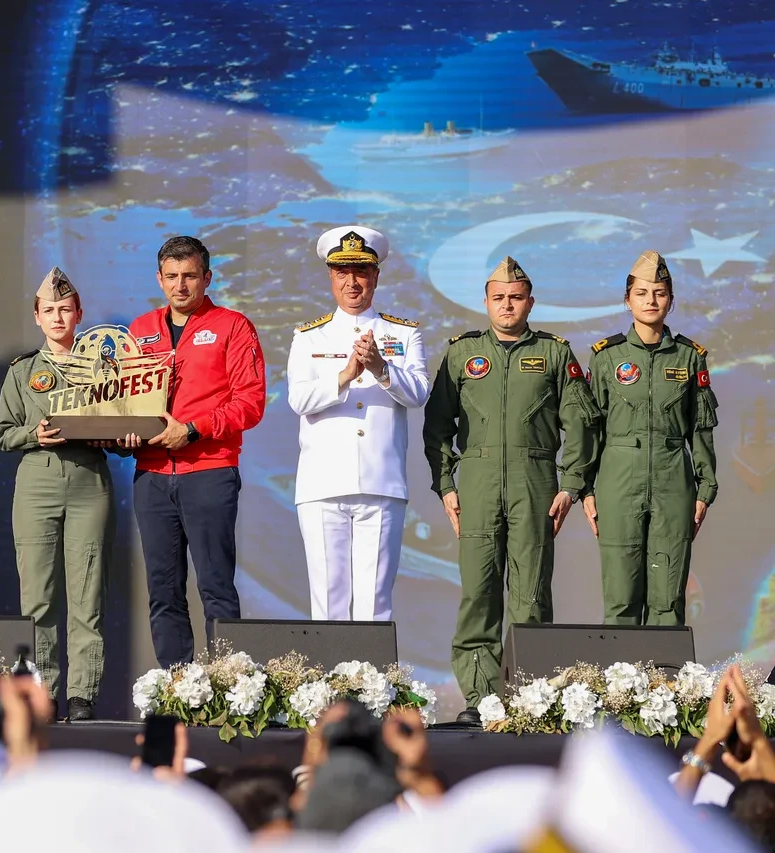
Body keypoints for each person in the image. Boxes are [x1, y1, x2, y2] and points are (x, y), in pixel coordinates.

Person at [422, 256, 599, 725]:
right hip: (477, 481)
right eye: (498, 298)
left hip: (535, 478)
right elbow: (437, 424)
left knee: (531, 593)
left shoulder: (557, 353)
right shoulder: (461, 353)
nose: (506, 305)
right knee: (478, 592)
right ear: (485, 302)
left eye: (515, 297)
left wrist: (572, 484)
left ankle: (529, 698)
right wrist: (445, 484)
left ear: (530, 302)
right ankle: (479, 700)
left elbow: (580, 423)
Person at [127, 236, 266, 668]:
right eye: (172, 277)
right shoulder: (139, 329)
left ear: (207, 277)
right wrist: (123, 435)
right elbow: (120, 401)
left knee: (216, 587)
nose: (180, 285)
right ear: (159, 279)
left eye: (190, 276)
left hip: (209, 471)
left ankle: (228, 688)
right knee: (163, 590)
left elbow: (250, 402)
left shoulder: (232, 326)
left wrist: (192, 430)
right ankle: (176, 689)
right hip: (151, 476)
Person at [287, 225, 431, 622]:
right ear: (331, 277)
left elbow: (418, 393)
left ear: (376, 276)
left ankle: (376, 686)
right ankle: (326, 686)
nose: (352, 282)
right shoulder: (308, 337)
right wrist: (346, 374)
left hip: (381, 482)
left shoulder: (403, 333)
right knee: (328, 605)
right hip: (323, 483)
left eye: (361, 272)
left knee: (375, 606)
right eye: (342, 273)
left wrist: (382, 369)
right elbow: (299, 399)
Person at [0, 267, 117, 722]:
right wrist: (34, 433)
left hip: (89, 480)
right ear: (37, 316)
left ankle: (83, 695)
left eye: (66, 309)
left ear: (79, 314)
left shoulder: (107, 367)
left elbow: (125, 423)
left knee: (88, 595)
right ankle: (42, 694)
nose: (59, 317)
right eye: (50, 310)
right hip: (38, 481)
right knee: (38, 598)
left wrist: (120, 436)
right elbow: (4, 435)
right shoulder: (23, 371)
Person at [581, 252, 718, 626]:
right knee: (621, 598)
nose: (651, 301)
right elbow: (589, 429)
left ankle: (667, 683)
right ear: (627, 300)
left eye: (659, 293)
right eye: (641, 293)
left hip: (674, 479)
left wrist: (705, 489)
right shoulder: (606, 358)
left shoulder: (691, 357)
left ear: (671, 300)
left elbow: (701, 429)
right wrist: (585, 489)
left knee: (668, 599)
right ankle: (618, 684)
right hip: (618, 479)